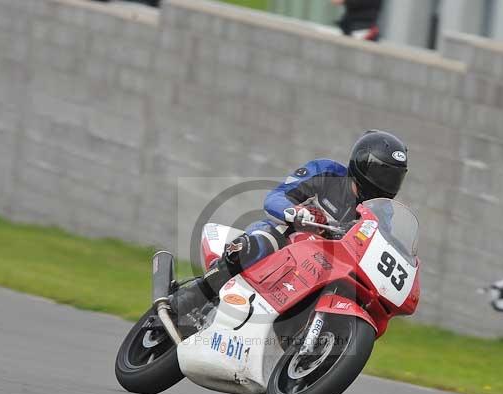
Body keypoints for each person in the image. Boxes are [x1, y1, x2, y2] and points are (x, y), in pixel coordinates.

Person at [169, 130, 409, 315]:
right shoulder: (327, 172)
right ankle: (194, 296)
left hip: (326, 265)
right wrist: (297, 212)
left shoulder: (383, 214)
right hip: (289, 238)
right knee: (262, 243)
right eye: (383, 174)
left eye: (394, 178)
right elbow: (275, 197)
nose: (387, 184)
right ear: (363, 164)